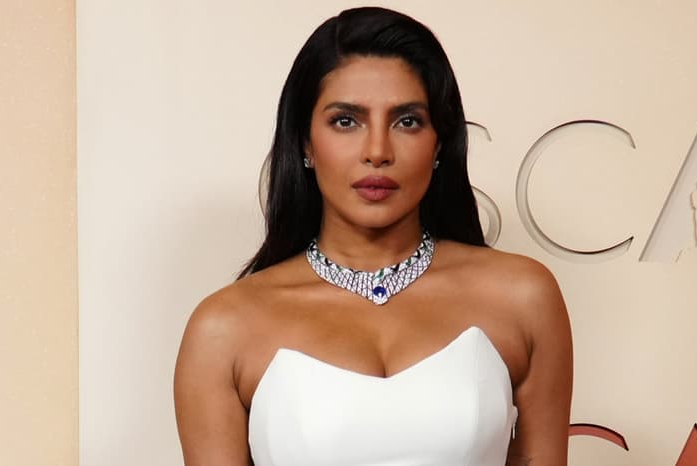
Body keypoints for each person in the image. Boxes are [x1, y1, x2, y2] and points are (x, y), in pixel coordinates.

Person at [174, 6, 572, 466]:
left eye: (407, 121)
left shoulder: (523, 298)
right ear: (305, 142)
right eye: (346, 121)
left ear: (439, 143)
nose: (378, 151)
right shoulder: (223, 328)